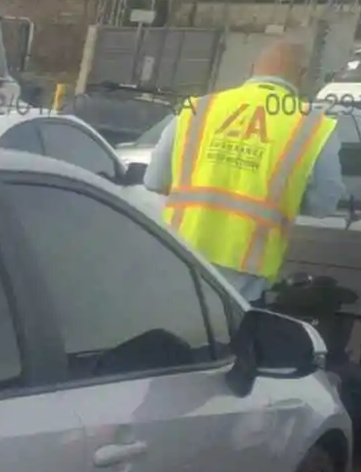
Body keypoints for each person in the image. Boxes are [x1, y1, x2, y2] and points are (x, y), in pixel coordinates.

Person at [144, 39, 346, 304]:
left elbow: (154, 179)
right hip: (246, 268)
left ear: (252, 69)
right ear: (303, 75)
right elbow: (324, 205)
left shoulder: (199, 108)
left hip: (180, 251)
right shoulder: (312, 126)